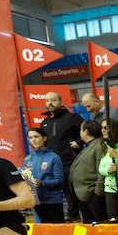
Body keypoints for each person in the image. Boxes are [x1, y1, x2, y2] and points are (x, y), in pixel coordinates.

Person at [40, 91, 83, 220]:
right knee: (57, 191)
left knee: (72, 190)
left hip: (69, 161)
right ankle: (60, 218)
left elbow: (88, 130)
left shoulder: (72, 117)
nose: (50, 103)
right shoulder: (44, 122)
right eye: (47, 101)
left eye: (53, 100)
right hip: (52, 164)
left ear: (61, 102)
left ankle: (74, 216)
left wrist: (79, 142)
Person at [23, 128, 65, 223]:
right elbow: (25, 179)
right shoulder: (27, 159)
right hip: (36, 201)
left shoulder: (54, 157)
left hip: (53, 201)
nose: (33, 140)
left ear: (44, 138)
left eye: (36, 136)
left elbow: (59, 180)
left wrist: (42, 183)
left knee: (58, 232)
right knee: (44, 233)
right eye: (30, 137)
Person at [70, 120, 106, 224]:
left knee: (101, 225)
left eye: (81, 130)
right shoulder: (90, 146)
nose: (80, 133)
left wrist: (97, 193)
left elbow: (101, 169)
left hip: (92, 194)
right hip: (84, 194)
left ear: (85, 131)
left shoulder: (99, 145)